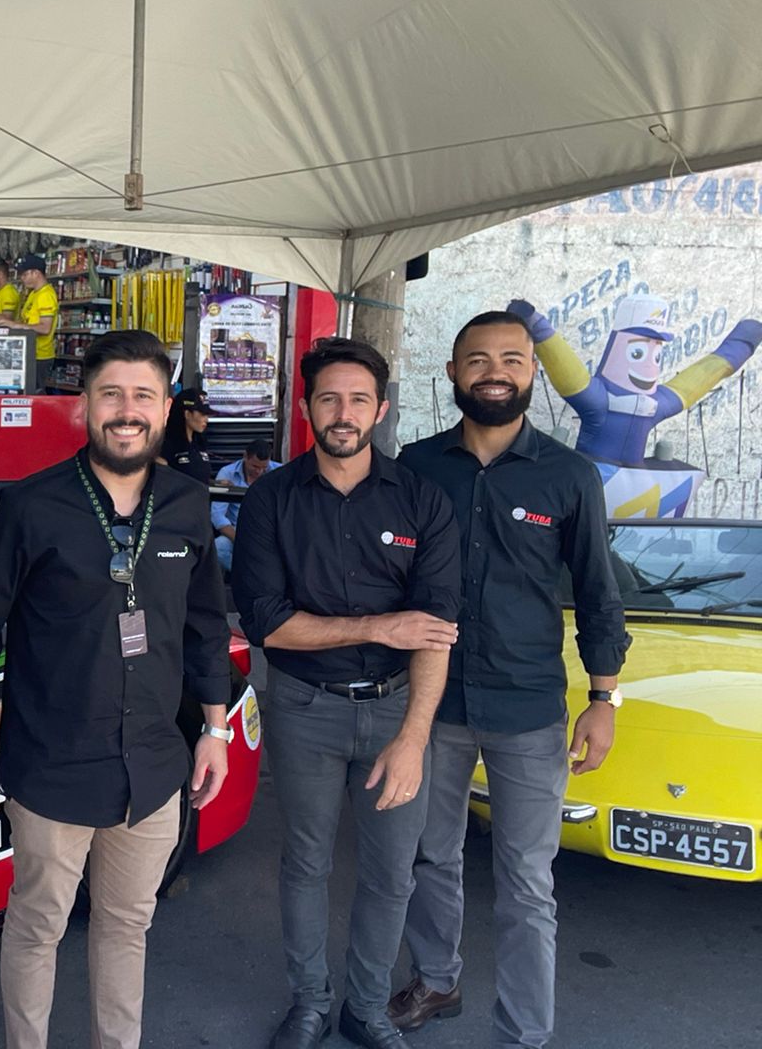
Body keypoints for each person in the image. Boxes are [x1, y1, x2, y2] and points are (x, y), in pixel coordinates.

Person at [0, 329, 233, 1049]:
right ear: (85, 406)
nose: (127, 411)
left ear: (166, 408)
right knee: (37, 924)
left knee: (127, 924)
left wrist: (215, 729)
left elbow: (203, 626)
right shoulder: (33, 505)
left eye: (143, 396)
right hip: (52, 766)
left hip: (153, 767)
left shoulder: (189, 504)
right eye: (111, 395)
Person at [390, 312, 630, 1049]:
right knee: (430, 854)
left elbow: (599, 593)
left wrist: (603, 699)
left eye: (512, 359)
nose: (494, 372)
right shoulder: (416, 465)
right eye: (478, 359)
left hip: (528, 707)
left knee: (526, 880)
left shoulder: (569, 474)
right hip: (432, 704)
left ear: (532, 373)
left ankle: (524, 1031)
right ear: (453, 372)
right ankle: (436, 979)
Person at [231, 337, 460, 1049]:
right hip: (304, 707)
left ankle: (365, 1008)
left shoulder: (422, 500)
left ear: (380, 410)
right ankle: (309, 1002)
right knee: (306, 863)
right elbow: (268, 624)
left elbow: (434, 632)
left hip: (397, 709)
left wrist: (415, 737)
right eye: (329, 398)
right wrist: (382, 624)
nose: (343, 412)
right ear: (306, 408)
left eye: (359, 399)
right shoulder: (270, 500)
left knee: (392, 873)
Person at [0, 254, 59, 392]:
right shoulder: (33, 294)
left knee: (34, 394)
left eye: (25, 274)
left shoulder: (46, 295)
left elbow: (45, 328)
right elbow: (27, 321)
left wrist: (16, 325)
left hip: (40, 356)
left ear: (36, 273)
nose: (22, 278)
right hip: (29, 353)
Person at [212, 438, 281, 573]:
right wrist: (241, 539)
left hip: (269, 532)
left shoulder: (279, 472)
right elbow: (217, 516)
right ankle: (250, 574)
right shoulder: (227, 473)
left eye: (263, 468)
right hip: (237, 530)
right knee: (218, 547)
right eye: (254, 466)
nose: (259, 472)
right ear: (245, 457)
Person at [158, 386, 218, 483]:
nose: (207, 420)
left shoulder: (199, 444)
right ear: (187, 414)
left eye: (208, 415)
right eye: (203, 414)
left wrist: (216, 483)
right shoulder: (165, 445)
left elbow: (196, 479)